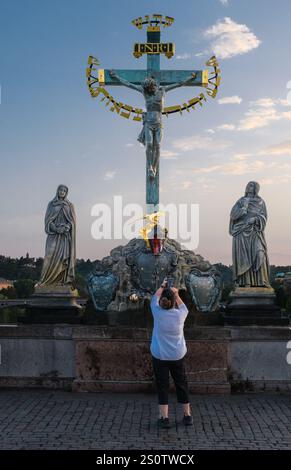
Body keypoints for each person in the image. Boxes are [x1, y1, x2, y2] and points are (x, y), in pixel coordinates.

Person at [150, 280, 193, 429]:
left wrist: (162, 285)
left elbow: (155, 297)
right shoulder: (181, 314)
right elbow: (182, 305)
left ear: (162, 302)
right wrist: (176, 293)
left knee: (162, 386)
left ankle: (164, 418)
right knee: (181, 384)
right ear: (173, 301)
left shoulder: (156, 312)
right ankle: (187, 415)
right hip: (177, 356)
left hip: (160, 356)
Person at [229, 181, 270, 287]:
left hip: (255, 231)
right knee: (244, 258)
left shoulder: (261, 202)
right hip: (241, 232)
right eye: (248, 185)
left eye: (251, 185)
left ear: (256, 188)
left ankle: (260, 281)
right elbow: (233, 215)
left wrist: (255, 219)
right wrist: (243, 208)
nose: (249, 187)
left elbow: (264, 217)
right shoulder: (241, 201)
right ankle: (245, 282)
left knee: (259, 253)